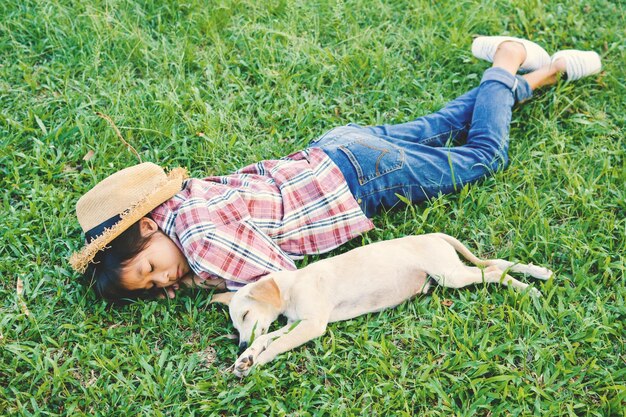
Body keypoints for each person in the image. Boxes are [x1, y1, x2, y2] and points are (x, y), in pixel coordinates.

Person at [69, 36, 602, 302]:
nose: (165, 278)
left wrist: (227, 294)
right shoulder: (185, 202)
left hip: (362, 181)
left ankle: (506, 59)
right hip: (337, 151)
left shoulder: (201, 244)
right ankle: (544, 72)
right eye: (153, 287)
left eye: (148, 269)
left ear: (146, 226)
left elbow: (285, 282)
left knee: (483, 158)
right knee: (442, 124)